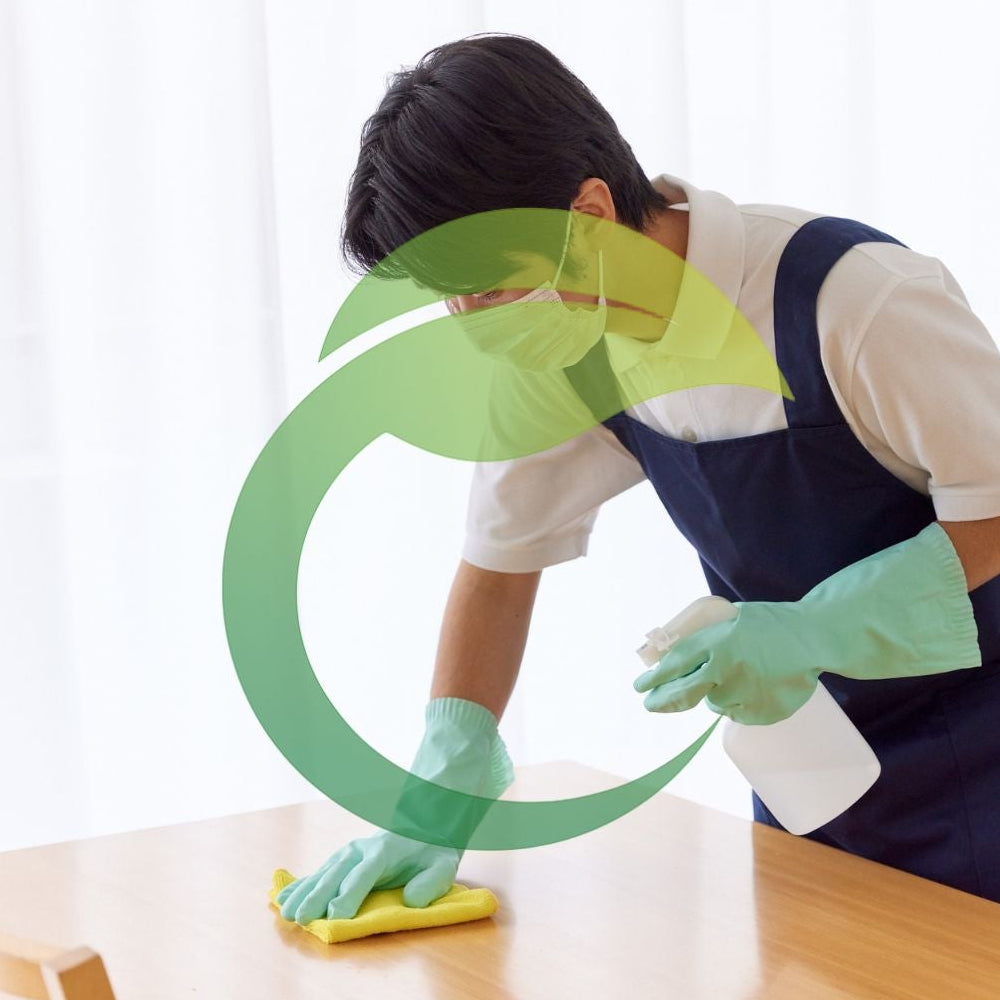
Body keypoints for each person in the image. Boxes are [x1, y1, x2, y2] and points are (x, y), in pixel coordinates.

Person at [277, 32, 1000, 924]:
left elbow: (994, 508)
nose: (473, 326)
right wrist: (441, 787)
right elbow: (497, 567)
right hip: (815, 770)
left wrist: (816, 628)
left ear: (586, 216)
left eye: (489, 291)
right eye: (448, 299)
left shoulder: (854, 301)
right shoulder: (565, 347)